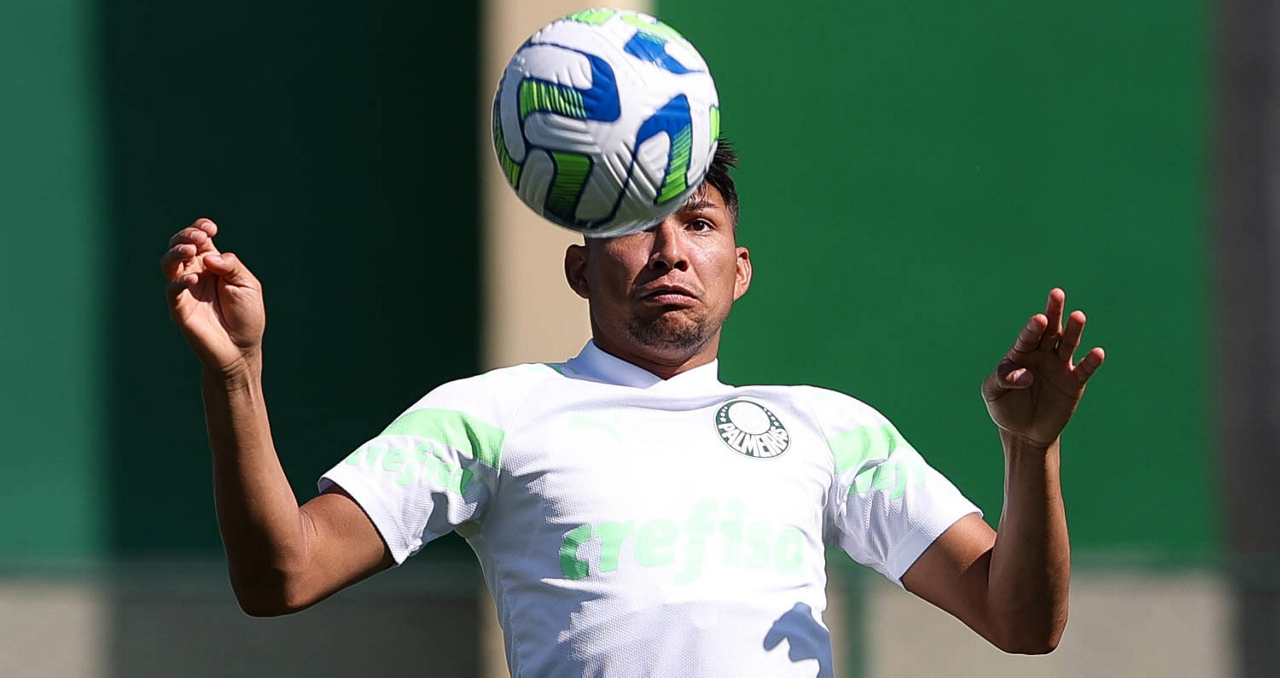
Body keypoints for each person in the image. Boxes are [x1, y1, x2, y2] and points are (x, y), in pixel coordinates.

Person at [161, 144, 1104, 677]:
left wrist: (1032, 452)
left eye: (699, 223)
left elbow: (1020, 621)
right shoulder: (490, 414)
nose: (669, 250)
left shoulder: (828, 425)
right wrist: (236, 373)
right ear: (580, 267)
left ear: (739, 269)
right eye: (633, 226)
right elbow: (282, 574)